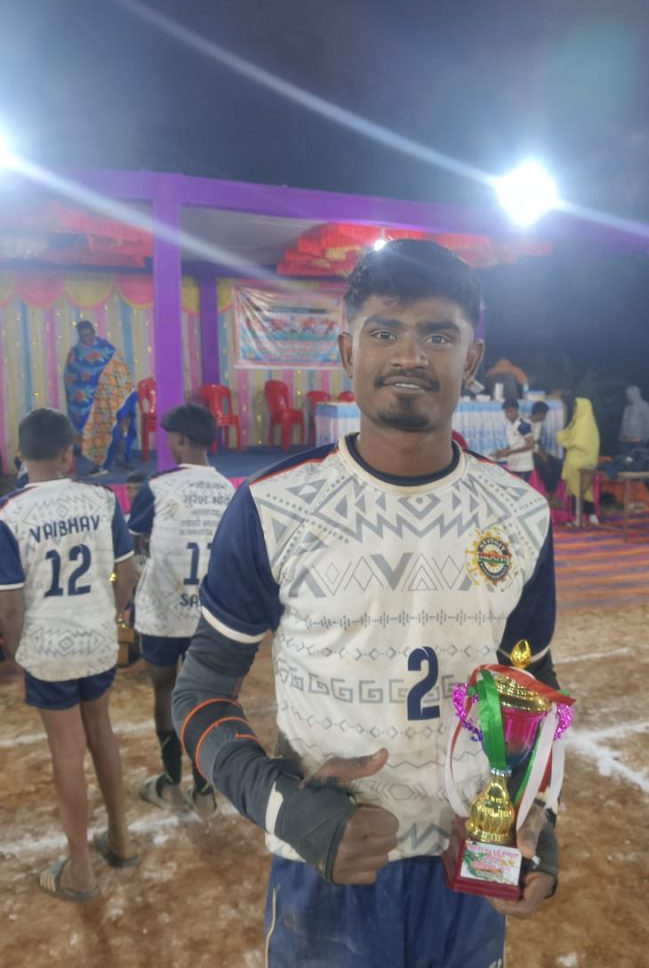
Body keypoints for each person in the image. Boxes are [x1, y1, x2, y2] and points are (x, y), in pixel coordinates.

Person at [172, 239, 563, 968]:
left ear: (471, 359)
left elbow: (528, 681)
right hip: (328, 864)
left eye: (438, 335)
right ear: (348, 349)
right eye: (385, 331)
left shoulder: (521, 513)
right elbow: (199, 692)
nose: (410, 355)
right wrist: (285, 805)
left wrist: (534, 814)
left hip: (469, 864)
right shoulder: (272, 507)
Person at [0, 408, 138, 900]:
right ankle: (121, 840)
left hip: (47, 647)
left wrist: (15, 654)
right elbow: (126, 576)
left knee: (66, 751)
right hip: (96, 640)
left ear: (20, 454)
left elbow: (9, 606)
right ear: (67, 453)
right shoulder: (102, 499)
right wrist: (108, 613)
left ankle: (80, 870)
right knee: (101, 732)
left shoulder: (9, 513)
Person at [128, 404, 235, 819]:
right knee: (204, 698)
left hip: (162, 612)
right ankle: (205, 792)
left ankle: (171, 782)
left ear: (181, 440)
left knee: (164, 691)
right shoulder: (229, 491)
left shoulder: (156, 487)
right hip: (210, 615)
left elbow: (136, 543)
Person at [63, 320, 135, 474]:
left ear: (94, 333)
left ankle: (119, 459)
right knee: (96, 431)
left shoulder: (106, 348)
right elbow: (71, 377)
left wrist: (119, 389)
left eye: (89, 334)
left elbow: (120, 370)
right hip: (88, 402)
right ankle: (99, 464)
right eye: (83, 336)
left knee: (115, 427)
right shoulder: (75, 353)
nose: (87, 338)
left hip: (109, 398)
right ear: (79, 336)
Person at [557, 397, 600, 525]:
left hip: (577, 462)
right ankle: (592, 516)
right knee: (586, 489)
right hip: (587, 462)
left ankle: (578, 518)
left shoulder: (582, 425)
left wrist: (563, 438)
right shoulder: (590, 425)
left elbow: (576, 442)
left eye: (577, 407)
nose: (575, 410)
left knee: (577, 490)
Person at [493, 399, 534, 480]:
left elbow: (530, 445)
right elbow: (513, 444)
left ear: (516, 410)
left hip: (524, 466)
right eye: (506, 412)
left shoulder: (523, 425)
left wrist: (510, 452)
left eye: (510, 411)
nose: (508, 414)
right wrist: (503, 451)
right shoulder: (509, 425)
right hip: (513, 465)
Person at [619, 385, 649, 449]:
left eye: (629, 394)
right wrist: (621, 436)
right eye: (627, 395)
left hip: (638, 441)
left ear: (635, 394)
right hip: (625, 440)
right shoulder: (627, 407)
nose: (627, 396)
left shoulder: (645, 406)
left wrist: (646, 438)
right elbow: (623, 423)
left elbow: (648, 424)